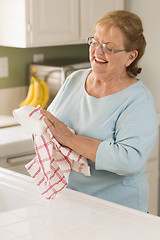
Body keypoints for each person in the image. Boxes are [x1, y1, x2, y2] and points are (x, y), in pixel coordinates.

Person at [41, 10, 158, 212]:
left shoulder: (138, 100)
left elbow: (128, 161)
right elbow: (50, 126)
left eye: (109, 48)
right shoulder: (75, 80)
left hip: (119, 211)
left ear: (131, 57)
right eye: (94, 42)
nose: (98, 51)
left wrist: (69, 139)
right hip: (70, 202)